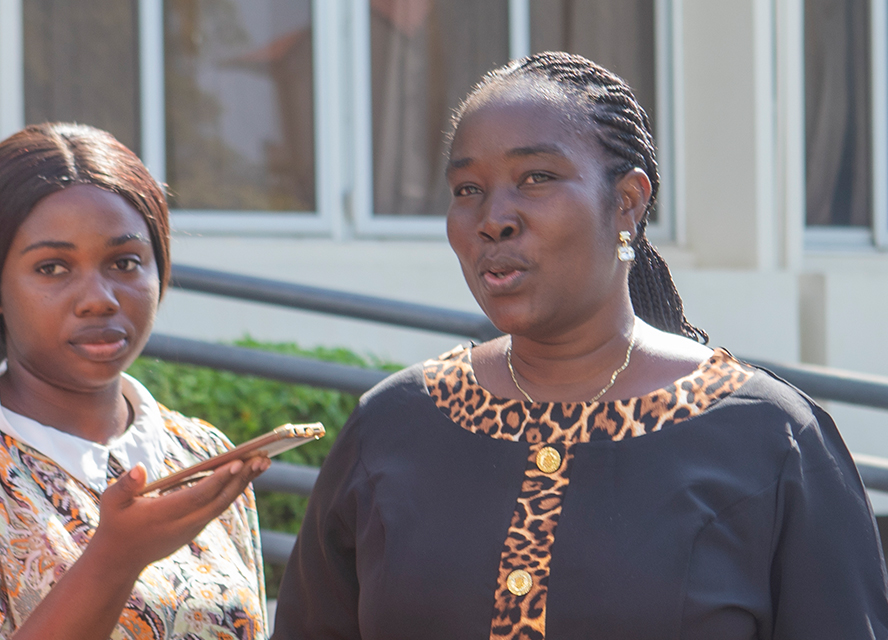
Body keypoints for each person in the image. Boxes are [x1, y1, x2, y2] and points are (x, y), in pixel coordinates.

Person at [272, 52, 888, 639]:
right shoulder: (393, 426)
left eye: (536, 178)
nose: (493, 218)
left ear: (626, 202)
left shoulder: (770, 441)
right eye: (467, 189)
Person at [0, 123, 271, 639]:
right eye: (52, 267)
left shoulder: (204, 453)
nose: (99, 298)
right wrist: (114, 558)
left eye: (124, 262)